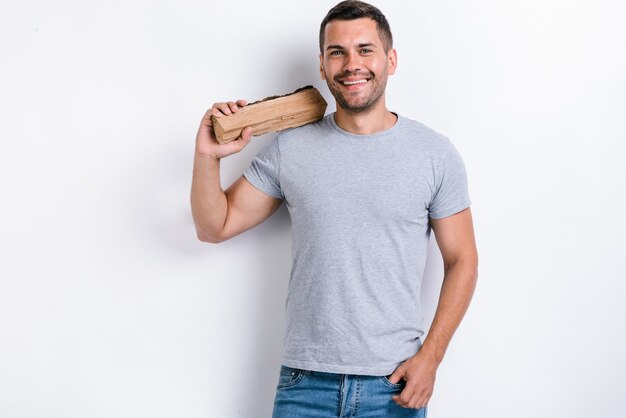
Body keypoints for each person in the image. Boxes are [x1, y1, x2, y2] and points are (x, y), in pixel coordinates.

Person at [190, 1, 478, 416]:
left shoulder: (434, 154)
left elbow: (463, 259)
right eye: (337, 52)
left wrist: (431, 357)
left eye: (365, 49)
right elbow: (213, 226)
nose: (351, 64)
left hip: (394, 385)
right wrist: (207, 156)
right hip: (304, 385)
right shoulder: (291, 149)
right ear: (322, 67)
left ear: (390, 60)